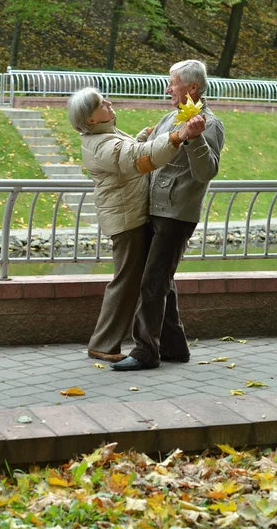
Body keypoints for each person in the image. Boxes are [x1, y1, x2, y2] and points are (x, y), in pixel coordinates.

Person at [67, 87, 207, 362]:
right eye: (100, 103)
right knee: (128, 283)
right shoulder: (100, 143)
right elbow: (134, 159)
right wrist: (177, 136)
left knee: (157, 281)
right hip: (126, 222)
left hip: (130, 217)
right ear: (91, 119)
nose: (108, 102)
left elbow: (129, 150)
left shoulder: (102, 135)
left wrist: (145, 136)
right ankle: (103, 345)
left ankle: (173, 344)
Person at [111, 60, 225, 371]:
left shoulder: (210, 124)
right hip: (153, 207)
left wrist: (195, 138)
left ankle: (146, 351)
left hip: (177, 214)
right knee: (162, 281)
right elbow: (150, 151)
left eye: (172, 82)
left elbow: (206, 172)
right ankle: (175, 347)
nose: (167, 88)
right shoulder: (170, 117)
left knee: (152, 282)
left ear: (192, 87)